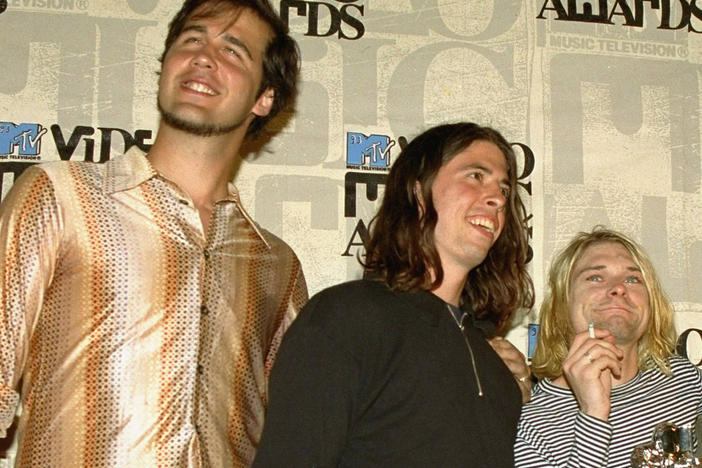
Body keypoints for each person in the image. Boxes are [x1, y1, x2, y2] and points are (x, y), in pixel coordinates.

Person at [0, 0, 306, 466]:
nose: (204, 56)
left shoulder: (276, 264)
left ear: (264, 97)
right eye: (191, 40)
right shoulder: (60, 196)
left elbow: (295, 432)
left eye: (233, 51)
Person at [252, 122, 535, 467]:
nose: (496, 199)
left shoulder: (493, 363)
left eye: (504, 189)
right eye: (475, 176)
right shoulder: (346, 317)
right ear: (418, 191)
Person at [514, 227, 702, 467]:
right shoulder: (528, 424)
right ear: (562, 303)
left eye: (633, 279)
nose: (619, 288)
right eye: (595, 277)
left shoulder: (683, 378)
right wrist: (593, 416)